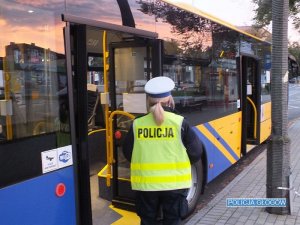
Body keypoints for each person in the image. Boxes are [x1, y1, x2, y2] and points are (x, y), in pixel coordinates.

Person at [122, 76, 203, 225]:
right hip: (175, 185)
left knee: (147, 221)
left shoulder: (137, 124)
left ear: (149, 101)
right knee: (173, 221)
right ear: (170, 99)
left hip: (145, 185)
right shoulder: (180, 123)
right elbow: (196, 152)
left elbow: (128, 153)